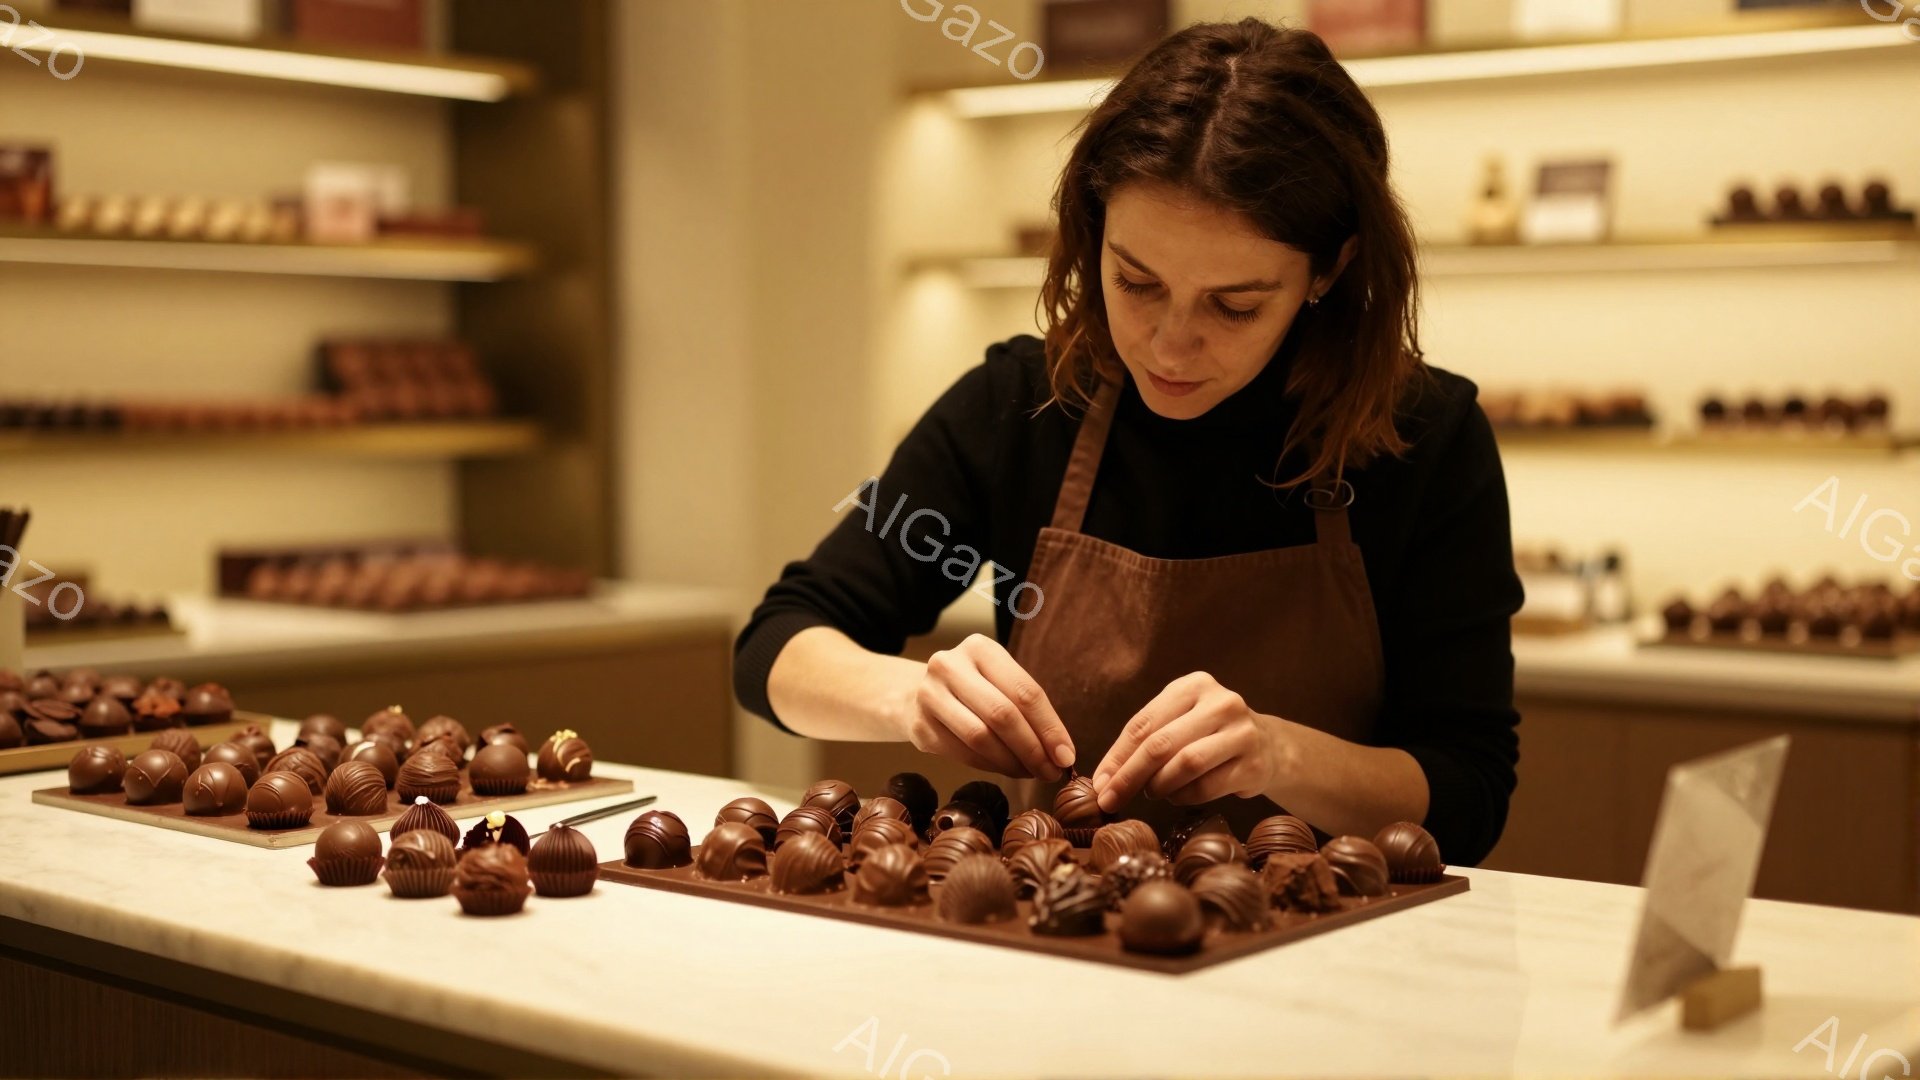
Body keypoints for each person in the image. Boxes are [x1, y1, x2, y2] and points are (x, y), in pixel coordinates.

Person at [733, 17, 1524, 866]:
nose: (1168, 344)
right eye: (1135, 282)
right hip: (1064, 940)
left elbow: (1468, 793)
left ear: (1328, 271)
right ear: (1091, 234)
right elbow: (777, 646)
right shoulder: (1021, 407)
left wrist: (1278, 754)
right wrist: (911, 696)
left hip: (1332, 952)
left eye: (1236, 305)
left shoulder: (1423, 440)